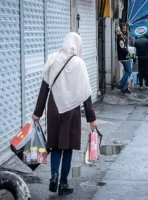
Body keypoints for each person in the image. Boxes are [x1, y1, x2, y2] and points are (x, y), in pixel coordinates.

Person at [32, 32, 97, 195]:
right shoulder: (79, 63)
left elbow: (44, 88)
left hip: (54, 108)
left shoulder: (53, 59)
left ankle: (53, 176)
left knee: (55, 146)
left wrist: (37, 113)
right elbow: (86, 93)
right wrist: (92, 118)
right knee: (67, 147)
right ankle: (63, 183)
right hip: (71, 110)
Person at [116, 23, 132, 94]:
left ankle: (124, 88)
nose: (125, 30)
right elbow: (122, 48)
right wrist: (128, 52)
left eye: (125, 28)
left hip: (124, 56)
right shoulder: (120, 37)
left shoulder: (123, 36)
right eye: (123, 28)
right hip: (124, 57)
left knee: (126, 71)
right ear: (121, 29)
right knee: (129, 71)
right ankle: (120, 83)